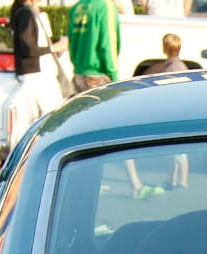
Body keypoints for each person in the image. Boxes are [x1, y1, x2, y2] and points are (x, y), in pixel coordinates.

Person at [124, 34, 190, 198]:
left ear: (165, 49)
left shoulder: (171, 68)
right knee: (175, 150)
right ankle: (173, 179)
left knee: (178, 152)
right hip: (180, 111)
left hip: (174, 112)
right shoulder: (180, 65)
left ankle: (182, 181)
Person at [10, 0, 69, 118]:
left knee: (38, 119)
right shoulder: (25, 14)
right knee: (55, 118)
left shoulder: (27, 12)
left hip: (36, 74)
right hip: (37, 74)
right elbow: (27, 48)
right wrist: (55, 48)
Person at [68, 0, 120, 91]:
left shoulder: (76, 7)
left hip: (78, 74)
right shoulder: (105, 6)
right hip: (99, 75)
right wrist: (114, 76)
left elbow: (71, 41)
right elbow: (108, 43)